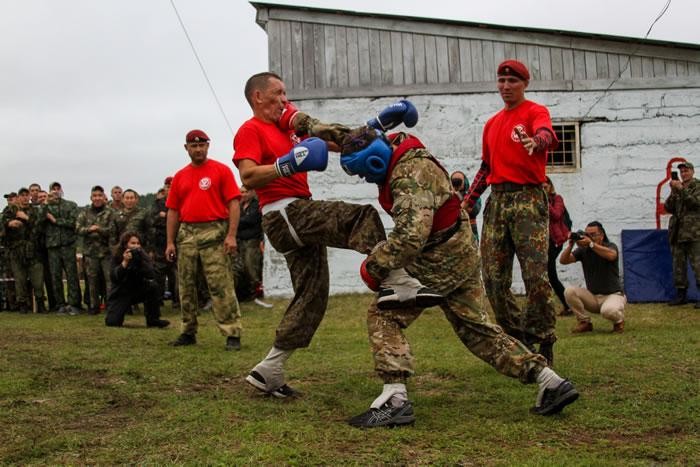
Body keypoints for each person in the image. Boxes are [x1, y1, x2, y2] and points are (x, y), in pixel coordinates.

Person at [328, 121, 578, 426]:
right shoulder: (397, 146)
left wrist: (373, 265)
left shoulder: (408, 178)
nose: (365, 178)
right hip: (460, 249)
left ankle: (394, 400)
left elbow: (408, 239)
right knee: (477, 330)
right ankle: (550, 382)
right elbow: (352, 135)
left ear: (375, 160)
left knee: (384, 313)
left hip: (440, 256)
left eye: (364, 171)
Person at [233, 72, 440, 399]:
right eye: (279, 93)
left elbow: (337, 141)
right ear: (258, 97)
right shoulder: (251, 129)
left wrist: (377, 125)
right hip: (283, 212)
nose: (285, 99)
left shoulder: (288, 130)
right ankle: (395, 278)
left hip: (295, 214)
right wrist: (287, 166)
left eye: (286, 93)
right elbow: (247, 175)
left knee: (312, 295)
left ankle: (270, 368)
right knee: (360, 216)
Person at [463, 59, 559, 365]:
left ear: (524, 84)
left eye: (512, 81)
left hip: (529, 200)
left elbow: (548, 136)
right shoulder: (491, 123)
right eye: (502, 81)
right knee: (491, 277)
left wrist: (536, 141)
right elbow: (486, 167)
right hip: (498, 201)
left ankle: (543, 338)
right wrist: (468, 200)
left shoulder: (534, 112)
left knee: (535, 275)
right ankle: (517, 338)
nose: (506, 86)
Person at [166, 129, 243, 351]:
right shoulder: (180, 176)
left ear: (208, 146)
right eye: (193, 145)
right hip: (187, 234)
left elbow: (234, 203)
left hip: (214, 232)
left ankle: (232, 333)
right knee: (186, 287)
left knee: (220, 285)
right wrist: (170, 242)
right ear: (186, 148)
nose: (198, 149)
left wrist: (231, 235)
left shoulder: (221, 170)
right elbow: (173, 211)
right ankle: (188, 331)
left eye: (202, 145)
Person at [560, 221, 626, 333]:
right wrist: (571, 245)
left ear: (602, 235)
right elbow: (564, 261)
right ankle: (584, 322)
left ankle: (619, 322)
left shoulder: (610, 246)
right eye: (587, 234)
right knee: (569, 291)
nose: (590, 237)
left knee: (608, 311)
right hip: (593, 297)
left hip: (613, 295)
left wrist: (591, 244)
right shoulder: (584, 250)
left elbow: (611, 255)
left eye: (593, 235)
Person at [105, 231, 170, 328]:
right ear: (125, 245)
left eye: (138, 243)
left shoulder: (142, 255)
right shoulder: (117, 256)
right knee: (112, 322)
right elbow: (114, 277)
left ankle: (153, 319)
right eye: (133, 243)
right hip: (121, 292)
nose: (136, 246)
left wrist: (140, 261)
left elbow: (151, 274)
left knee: (153, 287)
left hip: (137, 289)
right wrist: (125, 263)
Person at [1, 187, 46, 313]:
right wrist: (9, 223)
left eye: (27, 195)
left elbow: (40, 226)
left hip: (34, 250)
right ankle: (22, 305)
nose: (25, 197)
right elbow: (2, 222)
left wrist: (26, 218)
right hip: (16, 250)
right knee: (19, 279)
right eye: (22, 195)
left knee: (37, 279)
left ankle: (40, 303)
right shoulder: (10, 209)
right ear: (18, 197)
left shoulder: (35, 211)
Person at [39, 182, 82, 315]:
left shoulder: (70, 205)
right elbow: (39, 220)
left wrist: (56, 221)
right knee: (55, 277)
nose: (56, 191)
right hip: (53, 247)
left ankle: (74, 304)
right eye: (53, 189)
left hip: (68, 244)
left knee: (72, 276)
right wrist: (46, 202)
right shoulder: (46, 207)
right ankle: (60, 304)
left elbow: (73, 222)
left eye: (58, 189)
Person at [76, 185, 117, 315]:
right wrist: (88, 229)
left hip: (106, 252)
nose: (97, 198)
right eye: (95, 196)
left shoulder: (110, 212)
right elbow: (77, 229)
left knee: (109, 280)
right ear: (91, 197)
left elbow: (113, 231)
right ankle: (93, 306)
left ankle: (111, 306)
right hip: (90, 252)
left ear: (104, 197)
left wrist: (100, 230)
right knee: (91, 281)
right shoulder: (84, 212)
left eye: (100, 195)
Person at [664, 161, 700, 308]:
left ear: (692, 172)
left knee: (698, 265)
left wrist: (682, 190)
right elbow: (669, 207)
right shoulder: (679, 188)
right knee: (678, 266)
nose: (684, 174)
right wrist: (673, 193)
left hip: (694, 232)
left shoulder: (697, 186)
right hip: (678, 232)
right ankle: (681, 295)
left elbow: (695, 204)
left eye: (686, 171)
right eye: (682, 172)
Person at [543, 176, 571, 316]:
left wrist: (544, 201)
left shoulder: (557, 199)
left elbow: (556, 214)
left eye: (545, 187)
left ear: (550, 186)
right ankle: (567, 305)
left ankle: (568, 304)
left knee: (550, 274)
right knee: (549, 275)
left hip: (555, 241)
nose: (543, 190)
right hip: (543, 242)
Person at [151, 176, 179, 307]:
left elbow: (180, 218)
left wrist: (166, 215)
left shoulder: (180, 201)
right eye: (168, 186)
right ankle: (158, 298)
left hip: (177, 243)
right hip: (161, 244)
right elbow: (154, 220)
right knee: (159, 273)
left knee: (176, 272)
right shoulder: (157, 203)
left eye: (173, 186)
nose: (170, 189)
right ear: (164, 188)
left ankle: (177, 299)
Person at [233, 186, 263, 302]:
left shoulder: (257, 205)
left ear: (252, 192)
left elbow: (250, 220)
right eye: (242, 192)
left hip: (252, 241)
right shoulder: (239, 207)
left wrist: (238, 220)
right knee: (241, 267)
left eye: (246, 192)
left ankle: (256, 290)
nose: (244, 194)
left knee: (251, 265)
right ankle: (245, 293)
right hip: (239, 241)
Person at [115, 189, 153, 254]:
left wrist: (151, 250)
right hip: (122, 250)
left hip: (141, 249)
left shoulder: (144, 213)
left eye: (131, 198)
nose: (129, 201)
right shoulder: (116, 215)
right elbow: (113, 235)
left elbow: (150, 232)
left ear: (136, 199)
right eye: (127, 198)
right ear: (122, 200)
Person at [450, 170, 481, 241]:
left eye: (459, 181)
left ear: (464, 182)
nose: (457, 185)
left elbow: (475, 210)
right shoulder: (448, 195)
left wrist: (464, 201)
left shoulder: (472, 195)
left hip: (470, 232)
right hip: (453, 234)